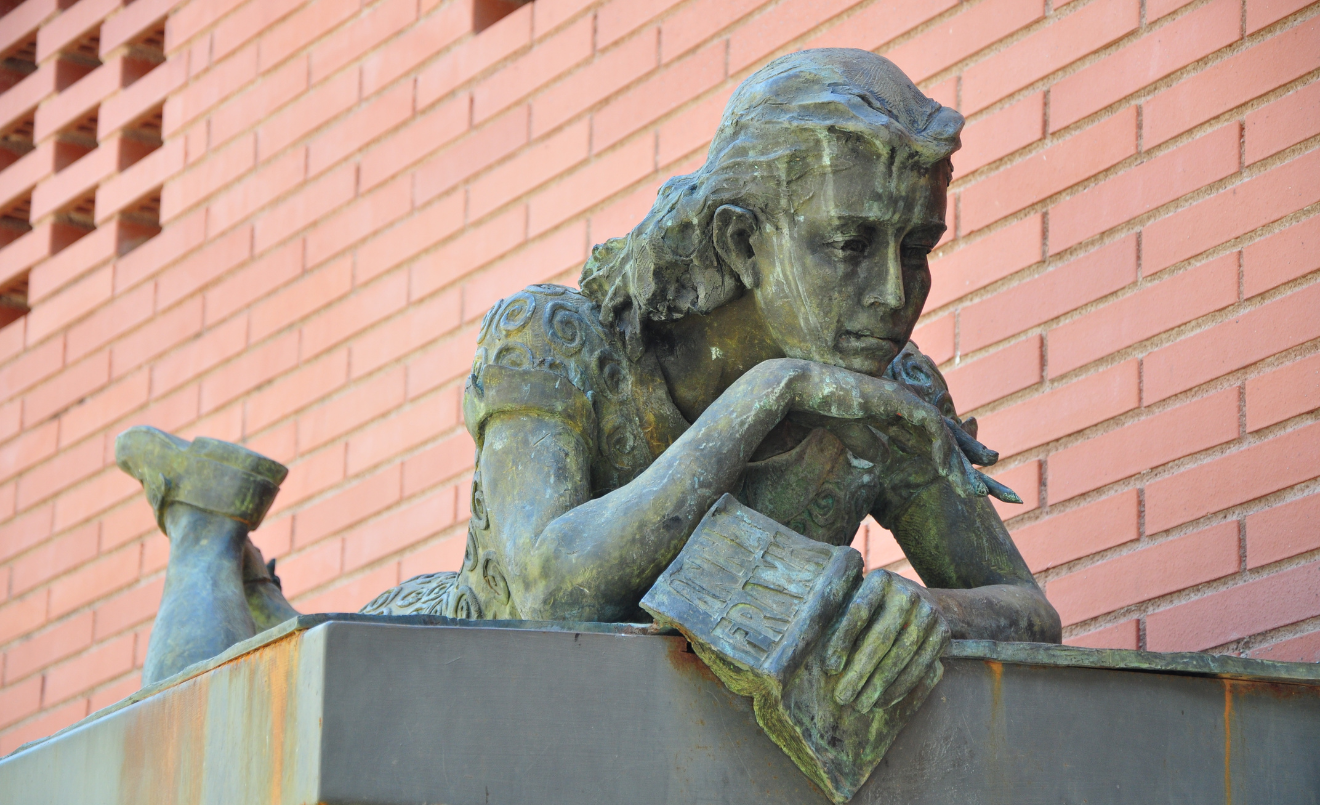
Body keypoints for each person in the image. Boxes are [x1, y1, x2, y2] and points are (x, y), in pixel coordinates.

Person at [118, 49, 1060, 713]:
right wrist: (769, 393)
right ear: (740, 237)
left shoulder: (886, 394)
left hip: (647, 735)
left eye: (917, 247)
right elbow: (548, 588)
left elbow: (1029, 612)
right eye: (851, 244)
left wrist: (918, 608)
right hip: (459, 659)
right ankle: (207, 519)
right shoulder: (560, 336)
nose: (894, 293)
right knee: (224, 701)